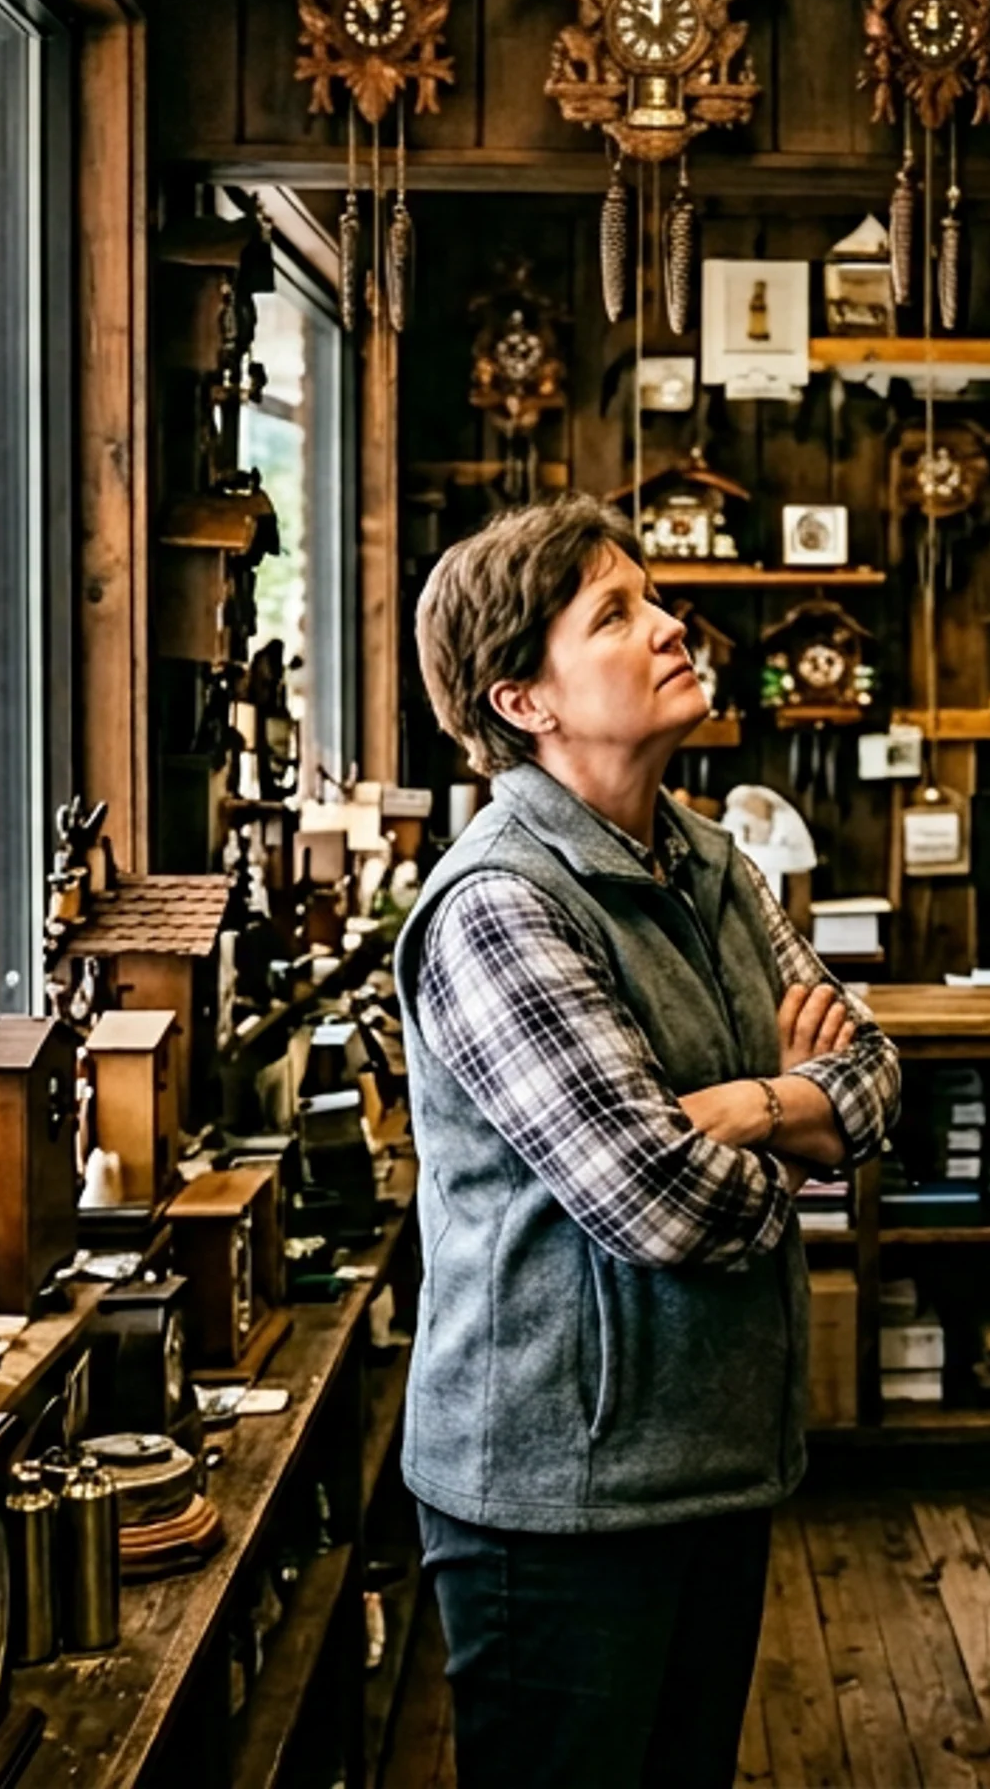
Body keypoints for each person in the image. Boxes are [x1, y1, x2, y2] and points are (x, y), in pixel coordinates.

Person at [396, 496, 901, 1789]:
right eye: (613, 614)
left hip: (712, 1459)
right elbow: (657, 1205)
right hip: (559, 1495)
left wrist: (750, 1109)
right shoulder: (502, 904)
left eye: (650, 596)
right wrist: (803, 1125)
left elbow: (874, 1071)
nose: (671, 624)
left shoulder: (709, 861)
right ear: (525, 701)